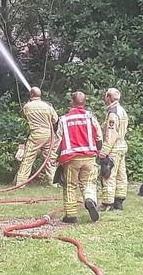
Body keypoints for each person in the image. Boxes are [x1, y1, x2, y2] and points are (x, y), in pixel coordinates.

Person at [51, 91, 103, 223]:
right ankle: (90, 199)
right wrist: (98, 150)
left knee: (70, 185)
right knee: (89, 183)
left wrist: (53, 157)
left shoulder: (64, 119)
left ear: (72, 103)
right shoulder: (90, 117)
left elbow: (58, 140)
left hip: (71, 159)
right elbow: (99, 137)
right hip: (90, 157)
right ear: (84, 103)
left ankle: (71, 215)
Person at [15, 87, 59, 186]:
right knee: (50, 159)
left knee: (28, 158)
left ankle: (20, 183)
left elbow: (24, 116)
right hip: (49, 135)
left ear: (31, 95)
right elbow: (55, 120)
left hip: (36, 134)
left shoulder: (27, 106)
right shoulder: (47, 106)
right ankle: (53, 182)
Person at [98, 88, 129, 211]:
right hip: (122, 145)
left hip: (114, 148)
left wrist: (104, 152)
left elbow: (111, 134)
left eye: (106, 96)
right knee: (121, 175)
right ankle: (119, 200)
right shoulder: (122, 111)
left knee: (108, 175)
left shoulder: (113, 113)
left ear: (109, 97)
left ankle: (107, 203)